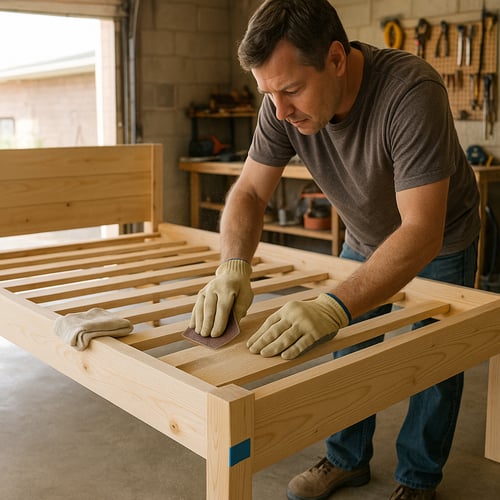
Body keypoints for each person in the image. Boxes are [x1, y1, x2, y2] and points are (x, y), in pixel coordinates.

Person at [189, 1, 480, 499]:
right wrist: (233, 264)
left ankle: (418, 478)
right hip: (365, 237)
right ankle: (346, 458)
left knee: (435, 360)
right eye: (268, 93)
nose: (280, 111)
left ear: (337, 60)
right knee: (347, 350)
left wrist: (333, 304)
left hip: (442, 240)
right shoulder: (280, 102)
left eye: (292, 90)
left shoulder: (411, 91)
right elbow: (249, 193)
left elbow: (421, 231)